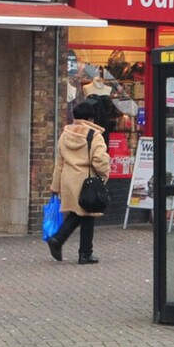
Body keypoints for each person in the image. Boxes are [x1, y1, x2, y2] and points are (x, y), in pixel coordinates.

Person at [47, 96, 113, 265]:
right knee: (84, 213)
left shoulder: (65, 135)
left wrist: (55, 186)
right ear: (91, 118)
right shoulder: (94, 136)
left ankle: (84, 252)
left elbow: (59, 162)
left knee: (83, 214)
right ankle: (62, 242)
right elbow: (99, 160)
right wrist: (104, 174)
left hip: (68, 179)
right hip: (86, 180)